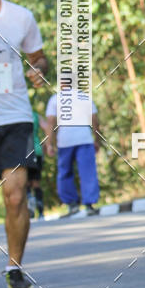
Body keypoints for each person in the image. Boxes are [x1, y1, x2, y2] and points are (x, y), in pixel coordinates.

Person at [0, 0, 48, 288]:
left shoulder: (21, 17)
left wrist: (39, 70)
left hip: (14, 117)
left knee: (15, 194)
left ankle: (14, 267)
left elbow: (40, 58)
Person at [44, 87, 100, 216]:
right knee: (88, 172)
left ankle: (72, 204)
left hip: (65, 141)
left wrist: (49, 144)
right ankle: (89, 205)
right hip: (84, 139)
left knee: (65, 173)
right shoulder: (84, 97)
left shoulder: (55, 99)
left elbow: (50, 123)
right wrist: (97, 139)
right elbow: (94, 119)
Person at [27, 109, 46, 219]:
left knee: (25, 183)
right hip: (37, 150)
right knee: (36, 183)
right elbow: (47, 127)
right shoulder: (35, 115)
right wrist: (47, 144)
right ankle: (41, 211)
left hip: (23, 152)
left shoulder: (17, 114)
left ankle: (30, 206)